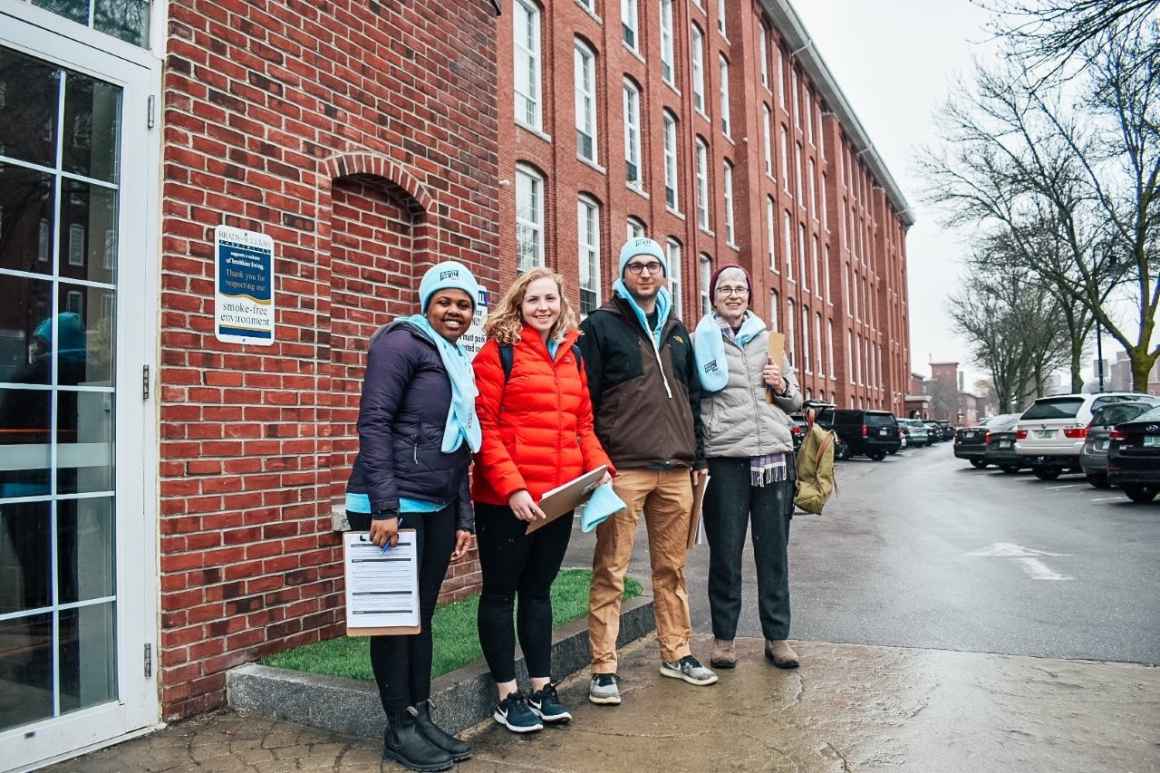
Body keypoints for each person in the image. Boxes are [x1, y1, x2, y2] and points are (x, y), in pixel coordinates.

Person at [344, 262, 481, 772]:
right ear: (427, 303)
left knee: (420, 616)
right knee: (393, 621)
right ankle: (397, 728)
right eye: (445, 301)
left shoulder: (454, 358)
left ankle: (419, 715)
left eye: (464, 304)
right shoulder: (398, 344)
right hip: (391, 506)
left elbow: (462, 444)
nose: (455, 311)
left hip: (439, 504)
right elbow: (373, 422)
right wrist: (385, 507)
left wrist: (464, 517)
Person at [471, 267, 614, 733]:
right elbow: (484, 429)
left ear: (562, 303)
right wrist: (512, 488)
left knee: (538, 593)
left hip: (556, 500)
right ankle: (506, 695)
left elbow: (582, 427)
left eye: (550, 299)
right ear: (518, 304)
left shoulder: (572, 356)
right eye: (533, 299)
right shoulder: (498, 354)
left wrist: (600, 473)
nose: (542, 307)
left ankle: (541, 687)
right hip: (506, 502)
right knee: (499, 594)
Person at [578, 236, 716, 706]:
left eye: (652, 265)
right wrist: (596, 462)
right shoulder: (601, 325)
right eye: (635, 265)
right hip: (624, 469)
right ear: (622, 273)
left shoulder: (679, 331)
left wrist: (698, 459)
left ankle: (676, 654)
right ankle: (604, 667)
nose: (644, 273)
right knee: (611, 569)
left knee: (671, 569)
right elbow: (586, 401)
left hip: (677, 469)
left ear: (663, 273)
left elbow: (694, 400)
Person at [692, 265, 803, 670]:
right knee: (725, 554)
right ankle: (724, 640)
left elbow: (795, 404)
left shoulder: (771, 341)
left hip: (773, 457)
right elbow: (693, 400)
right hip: (725, 459)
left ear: (749, 295)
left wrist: (784, 386)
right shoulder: (699, 341)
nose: (733, 294)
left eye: (740, 288)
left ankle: (778, 638)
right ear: (713, 295)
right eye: (725, 288)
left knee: (773, 553)